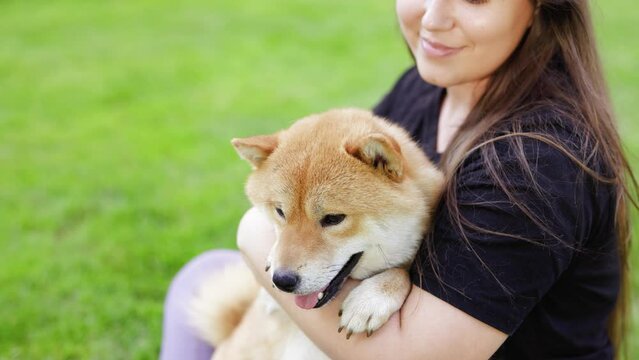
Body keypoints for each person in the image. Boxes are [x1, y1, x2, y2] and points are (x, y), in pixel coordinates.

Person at [161, 0, 634, 359]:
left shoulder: (532, 165)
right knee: (200, 277)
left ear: (539, 9)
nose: (432, 18)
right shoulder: (429, 88)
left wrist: (255, 231)